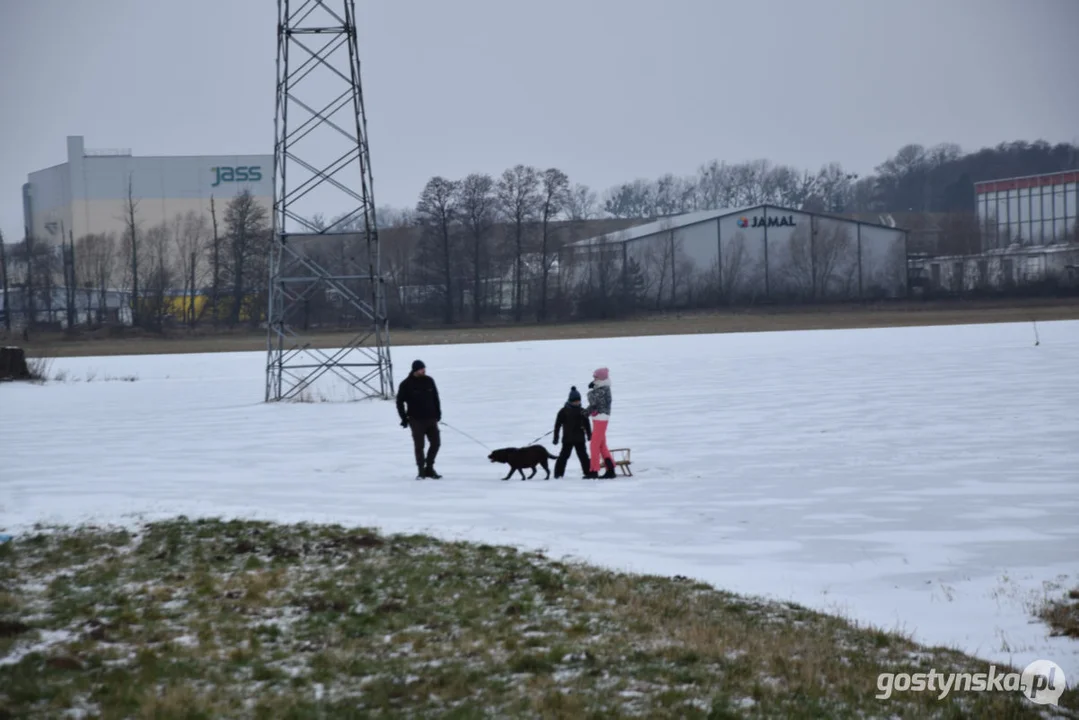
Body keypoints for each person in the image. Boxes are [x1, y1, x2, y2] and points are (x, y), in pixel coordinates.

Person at [396, 359, 442, 479]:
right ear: (415, 370)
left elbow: (436, 398)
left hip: (431, 418)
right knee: (419, 446)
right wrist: (404, 418)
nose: (424, 370)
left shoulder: (429, 380)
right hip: (416, 420)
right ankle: (421, 470)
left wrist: (438, 413)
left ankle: (430, 468)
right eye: (422, 369)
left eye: (424, 368)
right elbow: (399, 402)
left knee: (436, 443)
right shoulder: (406, 384)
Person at [553, 386, 592, 479]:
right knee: (563, 456)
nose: (577, 402)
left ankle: (588, 472)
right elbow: (557, 426)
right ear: (570, 400)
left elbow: (587, 424)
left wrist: (589, 435)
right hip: (568, 438)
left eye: (578, 400)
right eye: (575, 401)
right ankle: (558, 474)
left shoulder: (582, 411)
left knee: (583, 456)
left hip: (579, 438)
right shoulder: (563, 411)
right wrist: (556, 438)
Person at [586, 367, 616, 479]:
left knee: (594, 445)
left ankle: (594, 470)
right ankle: (611, 469)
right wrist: (585, 413)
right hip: (598, 418)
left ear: (601, 377)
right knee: (602, 445)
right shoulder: (601, 387)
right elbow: (594, 406)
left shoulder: (604, 389)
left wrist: (591, 391)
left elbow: (594, 401)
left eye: (596, 376)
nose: (594, 378)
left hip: (601, 419)